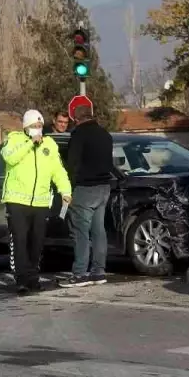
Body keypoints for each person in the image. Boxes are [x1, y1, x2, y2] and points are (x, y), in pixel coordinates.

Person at [1, 109, 72, 294]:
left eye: (40, 126)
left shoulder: (49, 144)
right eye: (34, 126)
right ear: (26, 127)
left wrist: (65, 190)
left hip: (40, 203)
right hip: (17, 201)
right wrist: (30, 143)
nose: (37, 129)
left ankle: (33, 277)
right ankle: (22, 279)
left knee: (37, 242)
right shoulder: (14, 139)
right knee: (20, 240)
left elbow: (58, 170)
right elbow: (9, 157)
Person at [58, 104, 116, 288]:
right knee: (98, 230)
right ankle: (99, 272)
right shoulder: (105, 135)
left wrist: (68, 188)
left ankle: (80, 274)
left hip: (85, 188)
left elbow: (73, 164)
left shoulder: (79, 135)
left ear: (76, 119)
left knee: (80, 232)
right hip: (104, 188)